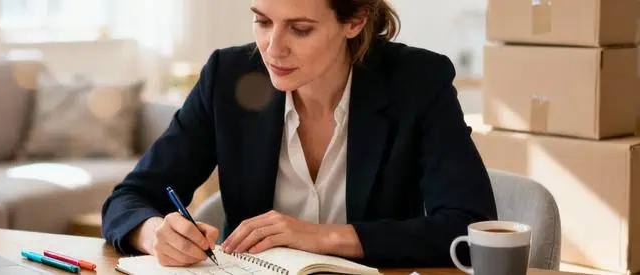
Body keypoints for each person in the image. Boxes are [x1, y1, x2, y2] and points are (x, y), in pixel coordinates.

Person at [101, 0, 497, 268]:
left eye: (300, 29)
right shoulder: (228, 76)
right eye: (263, 21)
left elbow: (469, 227)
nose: (273, 49)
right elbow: (131, 198)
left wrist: (323, 238)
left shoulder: (417, 82)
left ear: (354, 20)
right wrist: (155, 235)